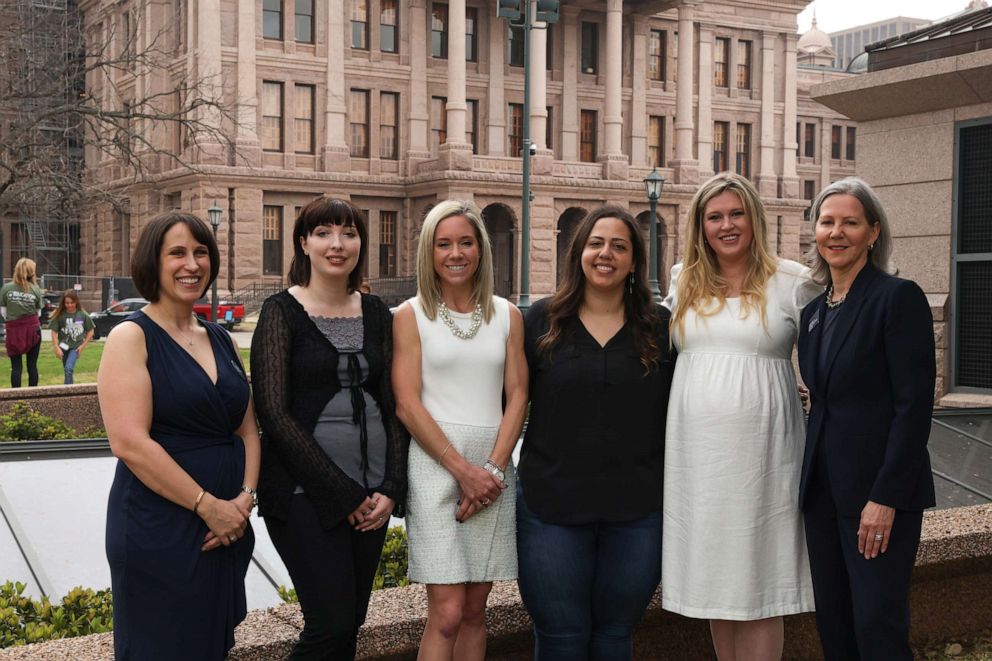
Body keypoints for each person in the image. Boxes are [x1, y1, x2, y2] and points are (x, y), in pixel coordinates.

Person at [662, 172, 820, 660]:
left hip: (764, 452)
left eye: (736, 214)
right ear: (700, 226)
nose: (726, 225)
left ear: (755, 218)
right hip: (697, 455)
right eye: (715, 217)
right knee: (716, 583)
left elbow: (830, 353)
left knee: (757, 584)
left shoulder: (793, 281)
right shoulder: (682, 279)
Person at [251, 198, 409, 660]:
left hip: (373, 494)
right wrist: (344, 495)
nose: (337, 244)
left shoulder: (379, 313)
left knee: (350, 626)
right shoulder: (281, 312)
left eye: (348, 233)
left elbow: (394, 402)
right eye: (323, 233)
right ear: (303, 242)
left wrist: (391, 487)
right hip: (304, 494)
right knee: (330, 624)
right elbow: (274, 414)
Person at [99, 212, 259, 661]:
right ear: (154, 261)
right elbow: (129, 442)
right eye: (177, 253)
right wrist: (210, 508)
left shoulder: (220, 338)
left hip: (227, 526)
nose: (192, 264)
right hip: (159, 528)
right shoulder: (131, 337)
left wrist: (244, 500)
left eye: (201, 252)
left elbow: (247, 427)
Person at [517, 206, 673, 661]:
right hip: (552, 509)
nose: (606, 254)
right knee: (561, 638)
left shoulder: (659, 326)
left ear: (634, 260)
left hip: (637, 512)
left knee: (614, 637)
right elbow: (508, 404)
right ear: (579, 252)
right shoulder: (542, 321)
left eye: (619, 246)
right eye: (596, 243)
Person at [798, 177, 935, 661]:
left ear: (873, 232)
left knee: (877, 627)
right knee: (834, 625)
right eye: (827, 222)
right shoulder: (814, 312)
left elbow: (914, 408)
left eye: (850, 222)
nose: (836, 232)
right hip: (822, 496)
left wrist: (885, 497)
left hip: (877, 498)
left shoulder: (898, 298)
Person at [392, 200, 527, 661]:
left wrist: (490, 470)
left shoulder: (508, 314)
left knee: (474, 610)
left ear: (481, 249)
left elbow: (519, 395)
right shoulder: (409, 314)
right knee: (446, 612)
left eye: (465, 242)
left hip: (494, 465)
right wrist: (462, 470)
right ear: (429, 252)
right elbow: (407, 404)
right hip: (435, 464)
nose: (455, 253)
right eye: (443, 243)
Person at [1, 258, 44, 387]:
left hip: (13, 329)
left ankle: (16, 398)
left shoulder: (6, 288)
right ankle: (33, 395)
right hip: (32, 330)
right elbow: (39, 312)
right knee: (32, 366)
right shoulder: (35, 289)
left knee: (16, 367)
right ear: (32, 272)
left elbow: (3, 312)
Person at [48, 289, 94, 384]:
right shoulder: (60, 315)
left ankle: (67, 391)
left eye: (72, 303)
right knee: (67, 371)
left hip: (75, 347)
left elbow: (91, 331)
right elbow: (54, 332)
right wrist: (56, 347)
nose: (69, 305)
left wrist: (82, 346)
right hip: (64, 346)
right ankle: (70, 391)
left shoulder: (81, 314)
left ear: (76, 302)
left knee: (69, 369)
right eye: (67, 303)